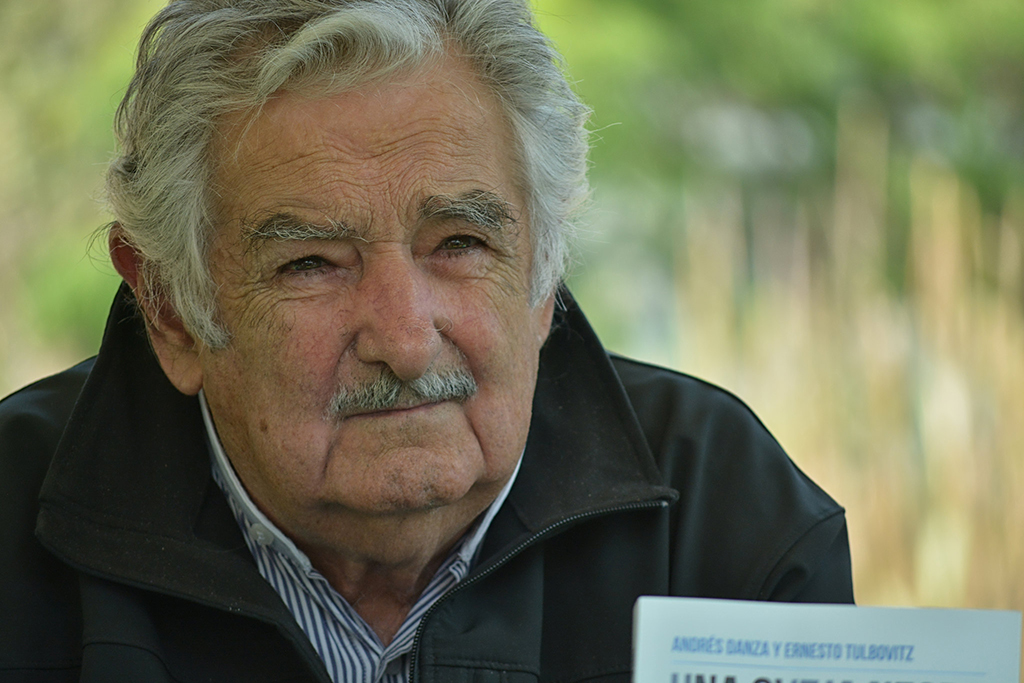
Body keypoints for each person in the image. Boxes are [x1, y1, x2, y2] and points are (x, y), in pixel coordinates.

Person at [0, 0, 853, 681]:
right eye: (311, 263)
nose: (406, 343)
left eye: (460, 244)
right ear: (170, 309)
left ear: (542, 275)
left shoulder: (725, 519)